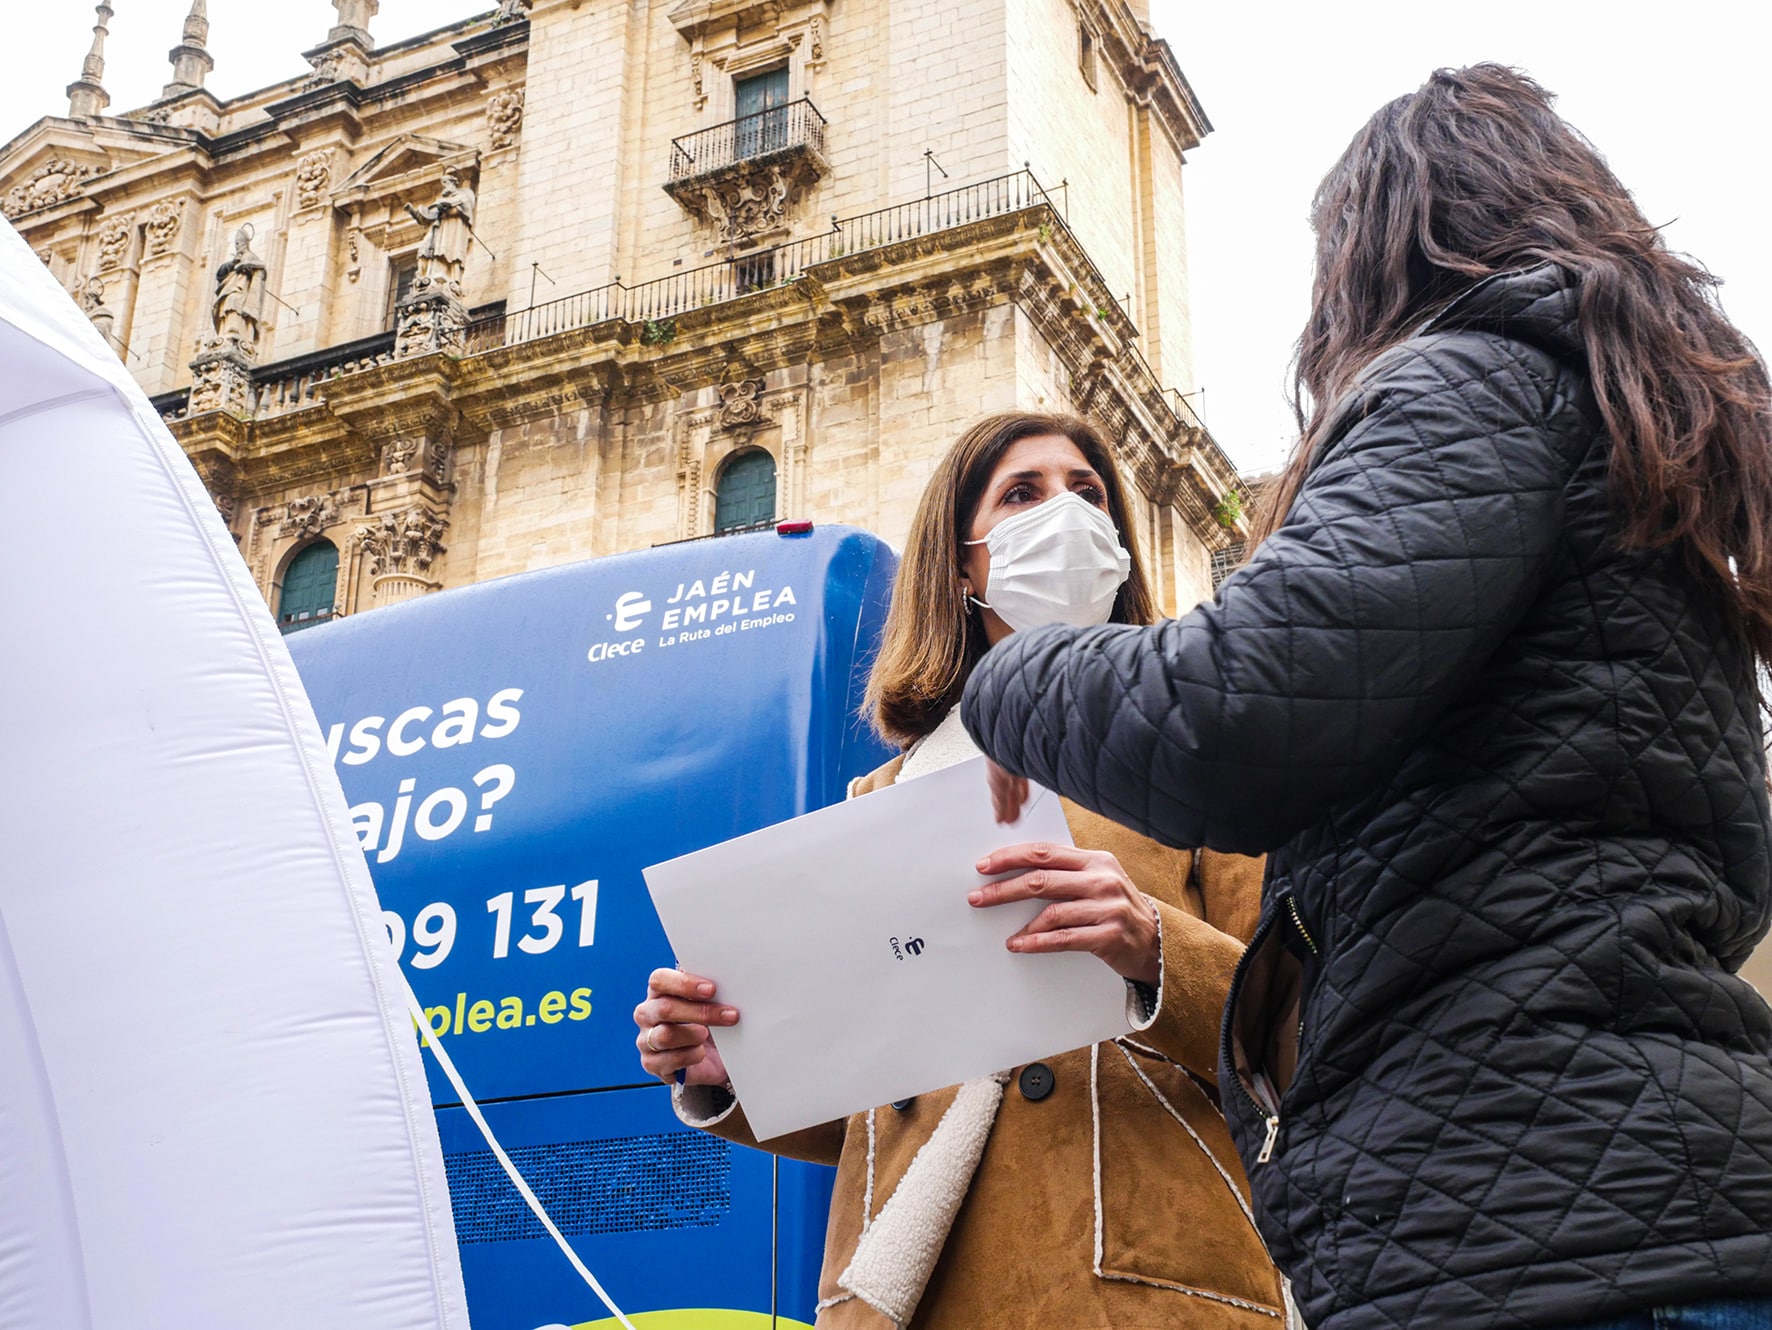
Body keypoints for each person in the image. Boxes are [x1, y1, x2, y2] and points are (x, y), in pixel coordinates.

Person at [959, 65, 1772, 1330]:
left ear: (1378, 248)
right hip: (1589, 1201)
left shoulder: (1472, 380)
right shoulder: (1617, 444)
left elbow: (1239, 712)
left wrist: (1009, 676)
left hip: (1531, 1219)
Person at [634, 412, 1290, 1328]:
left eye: (1089, 493)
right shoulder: (882, 796)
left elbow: (1305, 1038)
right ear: (962, 567)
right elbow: (884, 1112)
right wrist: (734, 1069)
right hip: (910, 1299)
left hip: (1141, 1288)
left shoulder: (1205, 749)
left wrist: (1154, 949)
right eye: (1023, 493)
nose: (1066, 514)